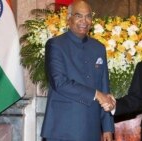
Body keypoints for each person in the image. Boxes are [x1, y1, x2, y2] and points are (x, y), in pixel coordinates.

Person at [41, 1, 114, 141]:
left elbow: (104, 88)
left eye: (88, 17)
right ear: (69, 18)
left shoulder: (99, 48)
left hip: (91, 127)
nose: (84, 21)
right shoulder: (56, 45)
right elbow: (59, 82)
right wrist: (96, 94)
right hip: (63, 128)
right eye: (79, 16)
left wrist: (107, 127)